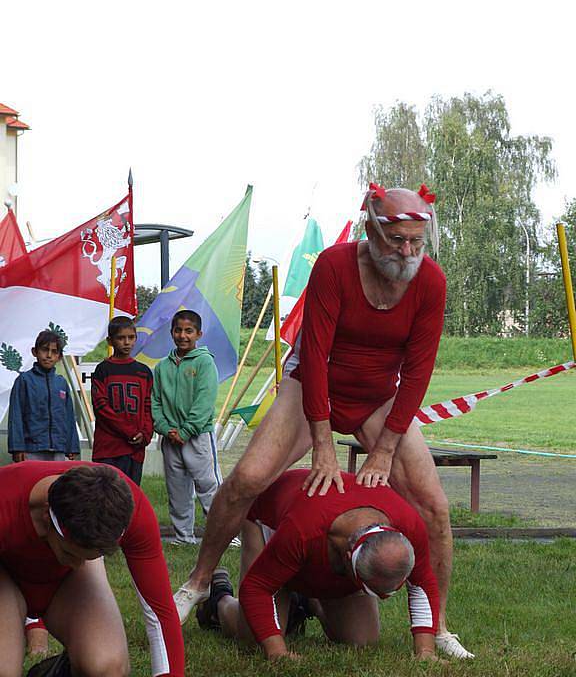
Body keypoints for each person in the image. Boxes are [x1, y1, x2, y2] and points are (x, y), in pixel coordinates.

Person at [176, 184, 473, 659]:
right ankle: (198, 581)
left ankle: (437, 625)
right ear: (371, 231)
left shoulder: (430, 282)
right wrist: (323, 443)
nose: (407, 252)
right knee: (248, 477)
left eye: (417, 242)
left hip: (378, 394)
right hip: (314, 382)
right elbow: (314, 355)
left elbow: (418, 372)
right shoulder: (335, 266)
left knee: (434, 507)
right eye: (398, 241)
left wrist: (384, 449)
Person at [196, 469, 439, 661]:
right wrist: (277, 651)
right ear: (347, 558)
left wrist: (426, 651)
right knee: (253, 639)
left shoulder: (410, 526)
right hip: (269, 521)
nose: (383, 599)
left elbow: (423, 582)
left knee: (361, 640)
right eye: (368, 588)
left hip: (317, 545)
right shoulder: (303, 531)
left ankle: (305, 603)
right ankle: (218, 600)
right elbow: (257, 586)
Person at [0, 460, 185, 677]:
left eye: (89, 557)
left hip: (65, 583)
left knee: (107, 666)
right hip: (7, 574)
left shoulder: (129, 510)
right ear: (46, 515)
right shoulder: (6, 496)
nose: (77, 564)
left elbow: (160, 613)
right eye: (69, 553)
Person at [152, 310, 224, 546]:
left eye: (188, 331)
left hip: (197, 437)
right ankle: (184, 537)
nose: (183, 335)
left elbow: (204, 401)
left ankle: (224, 536)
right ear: (172, 332)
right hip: (170, 439)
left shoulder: (205, 362)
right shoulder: (162, 367)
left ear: (198, 334)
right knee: (177, 490)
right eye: (178, 330)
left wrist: (185, 431)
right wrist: (165, 428)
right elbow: (155, 402)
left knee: (209, 486)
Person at [91, 315, 154, 485]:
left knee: (130, 497)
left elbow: (148, 406)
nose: (127, 342)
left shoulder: (143, 372)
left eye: (131, 337)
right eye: (121, 338)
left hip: (134, 450)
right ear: (110, 341)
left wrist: (146, 434)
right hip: (108, 448)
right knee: (104, 497)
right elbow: (101, 407)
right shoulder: (103, 370)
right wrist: (130, 431)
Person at [8, 329, 80, 464]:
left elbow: (69, 417)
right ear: (35, 352)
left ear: (59, 357)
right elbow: (15, 416)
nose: (49, 355)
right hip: (31, 450)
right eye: (44, 350)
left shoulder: (61, 383)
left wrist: (72, 446)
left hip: (59, 449)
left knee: (57, 484)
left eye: (54, 352)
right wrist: (17, 447)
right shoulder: (24, 380)